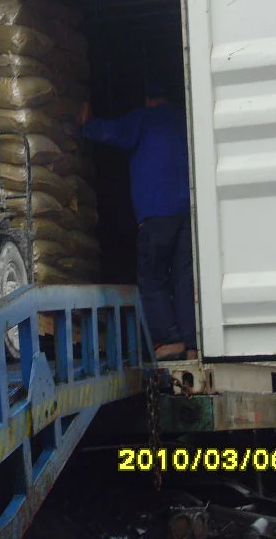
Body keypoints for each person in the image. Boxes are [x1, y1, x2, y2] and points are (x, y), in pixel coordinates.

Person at [81, 82, 195, 361]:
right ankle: (193, 342)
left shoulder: (144, 119)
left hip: (156, 214)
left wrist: (86, 124)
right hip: (188, 214)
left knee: (152, 276)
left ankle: (169, 340)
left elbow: (112, 132)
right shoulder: (185, 119)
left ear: (147, 99)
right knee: (184, 279)